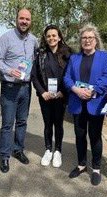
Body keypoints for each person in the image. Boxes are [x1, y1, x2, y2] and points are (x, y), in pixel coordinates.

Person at [64, 23, 107, 186]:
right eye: (84, 37)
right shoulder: (74, 58)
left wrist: (93, 91)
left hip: (96, 102)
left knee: (95, 136)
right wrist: (76, 90)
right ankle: (82, 164)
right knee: (79, 135)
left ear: (96, 40)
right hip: (78, 103)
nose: (87, 40)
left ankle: (97, 168)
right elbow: (67, 78)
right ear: (80, 40)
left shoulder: (104, 56)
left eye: (90, 37)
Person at [0, 8, 38, 173]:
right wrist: (8, 71)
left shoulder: (34, 40)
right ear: (16, 19)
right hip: (10, 87)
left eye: (27, 19)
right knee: (7, 124)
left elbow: (36, 59)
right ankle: (5, 157)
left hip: (26, 87)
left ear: (30, 21)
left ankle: (18, 150)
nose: (24, 22)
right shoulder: (6, 37)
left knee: (22, 121)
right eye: (22, 18)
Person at [31, 25, 72, 167]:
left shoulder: (68, 54)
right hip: (46, 96)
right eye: (48, 36)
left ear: (59, 37)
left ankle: (58, 151)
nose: (51, 38)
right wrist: (42, 92)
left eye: (54, 35)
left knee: (58, 124)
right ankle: (48, 149)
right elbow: (34, 76)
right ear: (45, 38)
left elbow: (71, 75)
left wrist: (64, 91)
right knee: (48, 124)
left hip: (60, 96)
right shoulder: (40, 54)